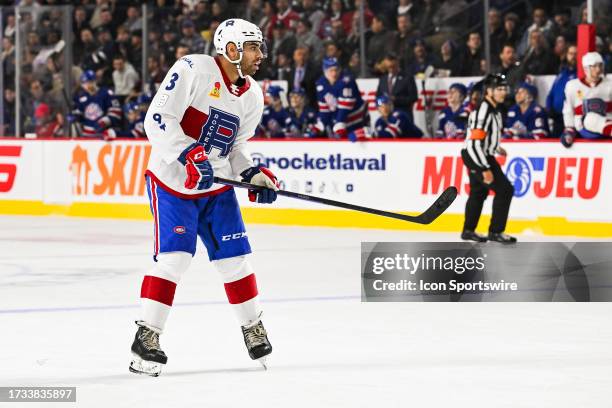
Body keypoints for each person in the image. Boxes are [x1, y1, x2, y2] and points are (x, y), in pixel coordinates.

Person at [129, 18, 276, 377]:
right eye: (253, 47)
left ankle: (252, 326)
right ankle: (146, 336)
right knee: (174, 259)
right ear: (231, 49)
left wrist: (251, 173)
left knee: (235, 260)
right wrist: (187, 154)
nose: (260, 54)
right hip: (173, 183)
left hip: (216, 186)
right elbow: (158, 119)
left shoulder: (253, 94)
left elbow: (237, 146)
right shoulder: (193, 68)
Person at [461, 73, 516, 244]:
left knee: (478, 192)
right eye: (499, 89)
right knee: (505, 190)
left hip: (480, 153)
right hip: (477, 155)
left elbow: (484, 137)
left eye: (504, 89)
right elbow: (475, 143)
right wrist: (484, 168)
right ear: (489, 91)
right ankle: (496, 231)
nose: (503, 92)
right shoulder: (483, 112)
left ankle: (468, 230)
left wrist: (496, 147)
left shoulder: (494, 110)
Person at [561, 52, 612, 148]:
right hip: (585, 127)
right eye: (594, 66)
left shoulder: (610, 83)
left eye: (600, 65)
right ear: (586, 68)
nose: (598, 69)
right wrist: (569, 129)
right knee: (590, 118)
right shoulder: (573, 86)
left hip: (608, 123)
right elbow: (568, 109)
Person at [314, 57, 368, 139]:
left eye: (336, 70)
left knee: (356, 144)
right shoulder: (320, 83)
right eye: (331, 71)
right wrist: (321, 124)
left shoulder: (347, 80)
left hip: (357, 119)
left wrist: (339, 122)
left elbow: (345, 105)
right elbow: (324, 108)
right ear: (324, 71)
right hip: (339, 121)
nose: (334, 74)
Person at [70, 69, 122, 138]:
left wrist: (104, 122)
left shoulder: (106, 93)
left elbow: (116, 113)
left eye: (90, 82)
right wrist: (75, 116)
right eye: (84, 83)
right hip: (87, 137)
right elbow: (80, 113)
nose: (87, 85)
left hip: (104, 136)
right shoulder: (82, 97)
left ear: (95, 81)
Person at [546, 44, 577, 137]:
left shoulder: (581, 75)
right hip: (557, 118)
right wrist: (549, 108)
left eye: (576, 54)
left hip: (571, 119)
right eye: (571, 53)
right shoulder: (561, 74)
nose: (573, 56)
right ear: (567, 55)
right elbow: (551, 94)